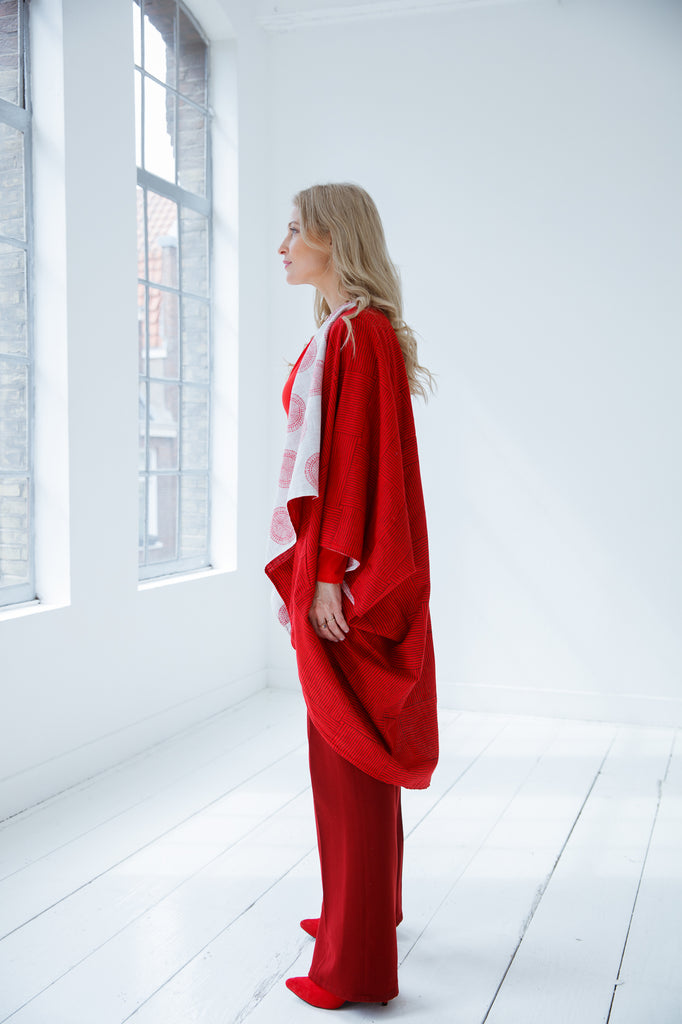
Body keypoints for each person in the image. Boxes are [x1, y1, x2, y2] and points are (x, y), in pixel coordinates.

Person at [265, 183, 438, 1010]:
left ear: (335, 239)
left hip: (344, 575)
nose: (283, 245)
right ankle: (364, 911)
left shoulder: (356, 333)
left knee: (348, 760)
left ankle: (356, 963)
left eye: (295, 230)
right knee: (350, 755)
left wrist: (331, 570)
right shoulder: (346, 329)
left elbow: (355, 462)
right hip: (337, 564)